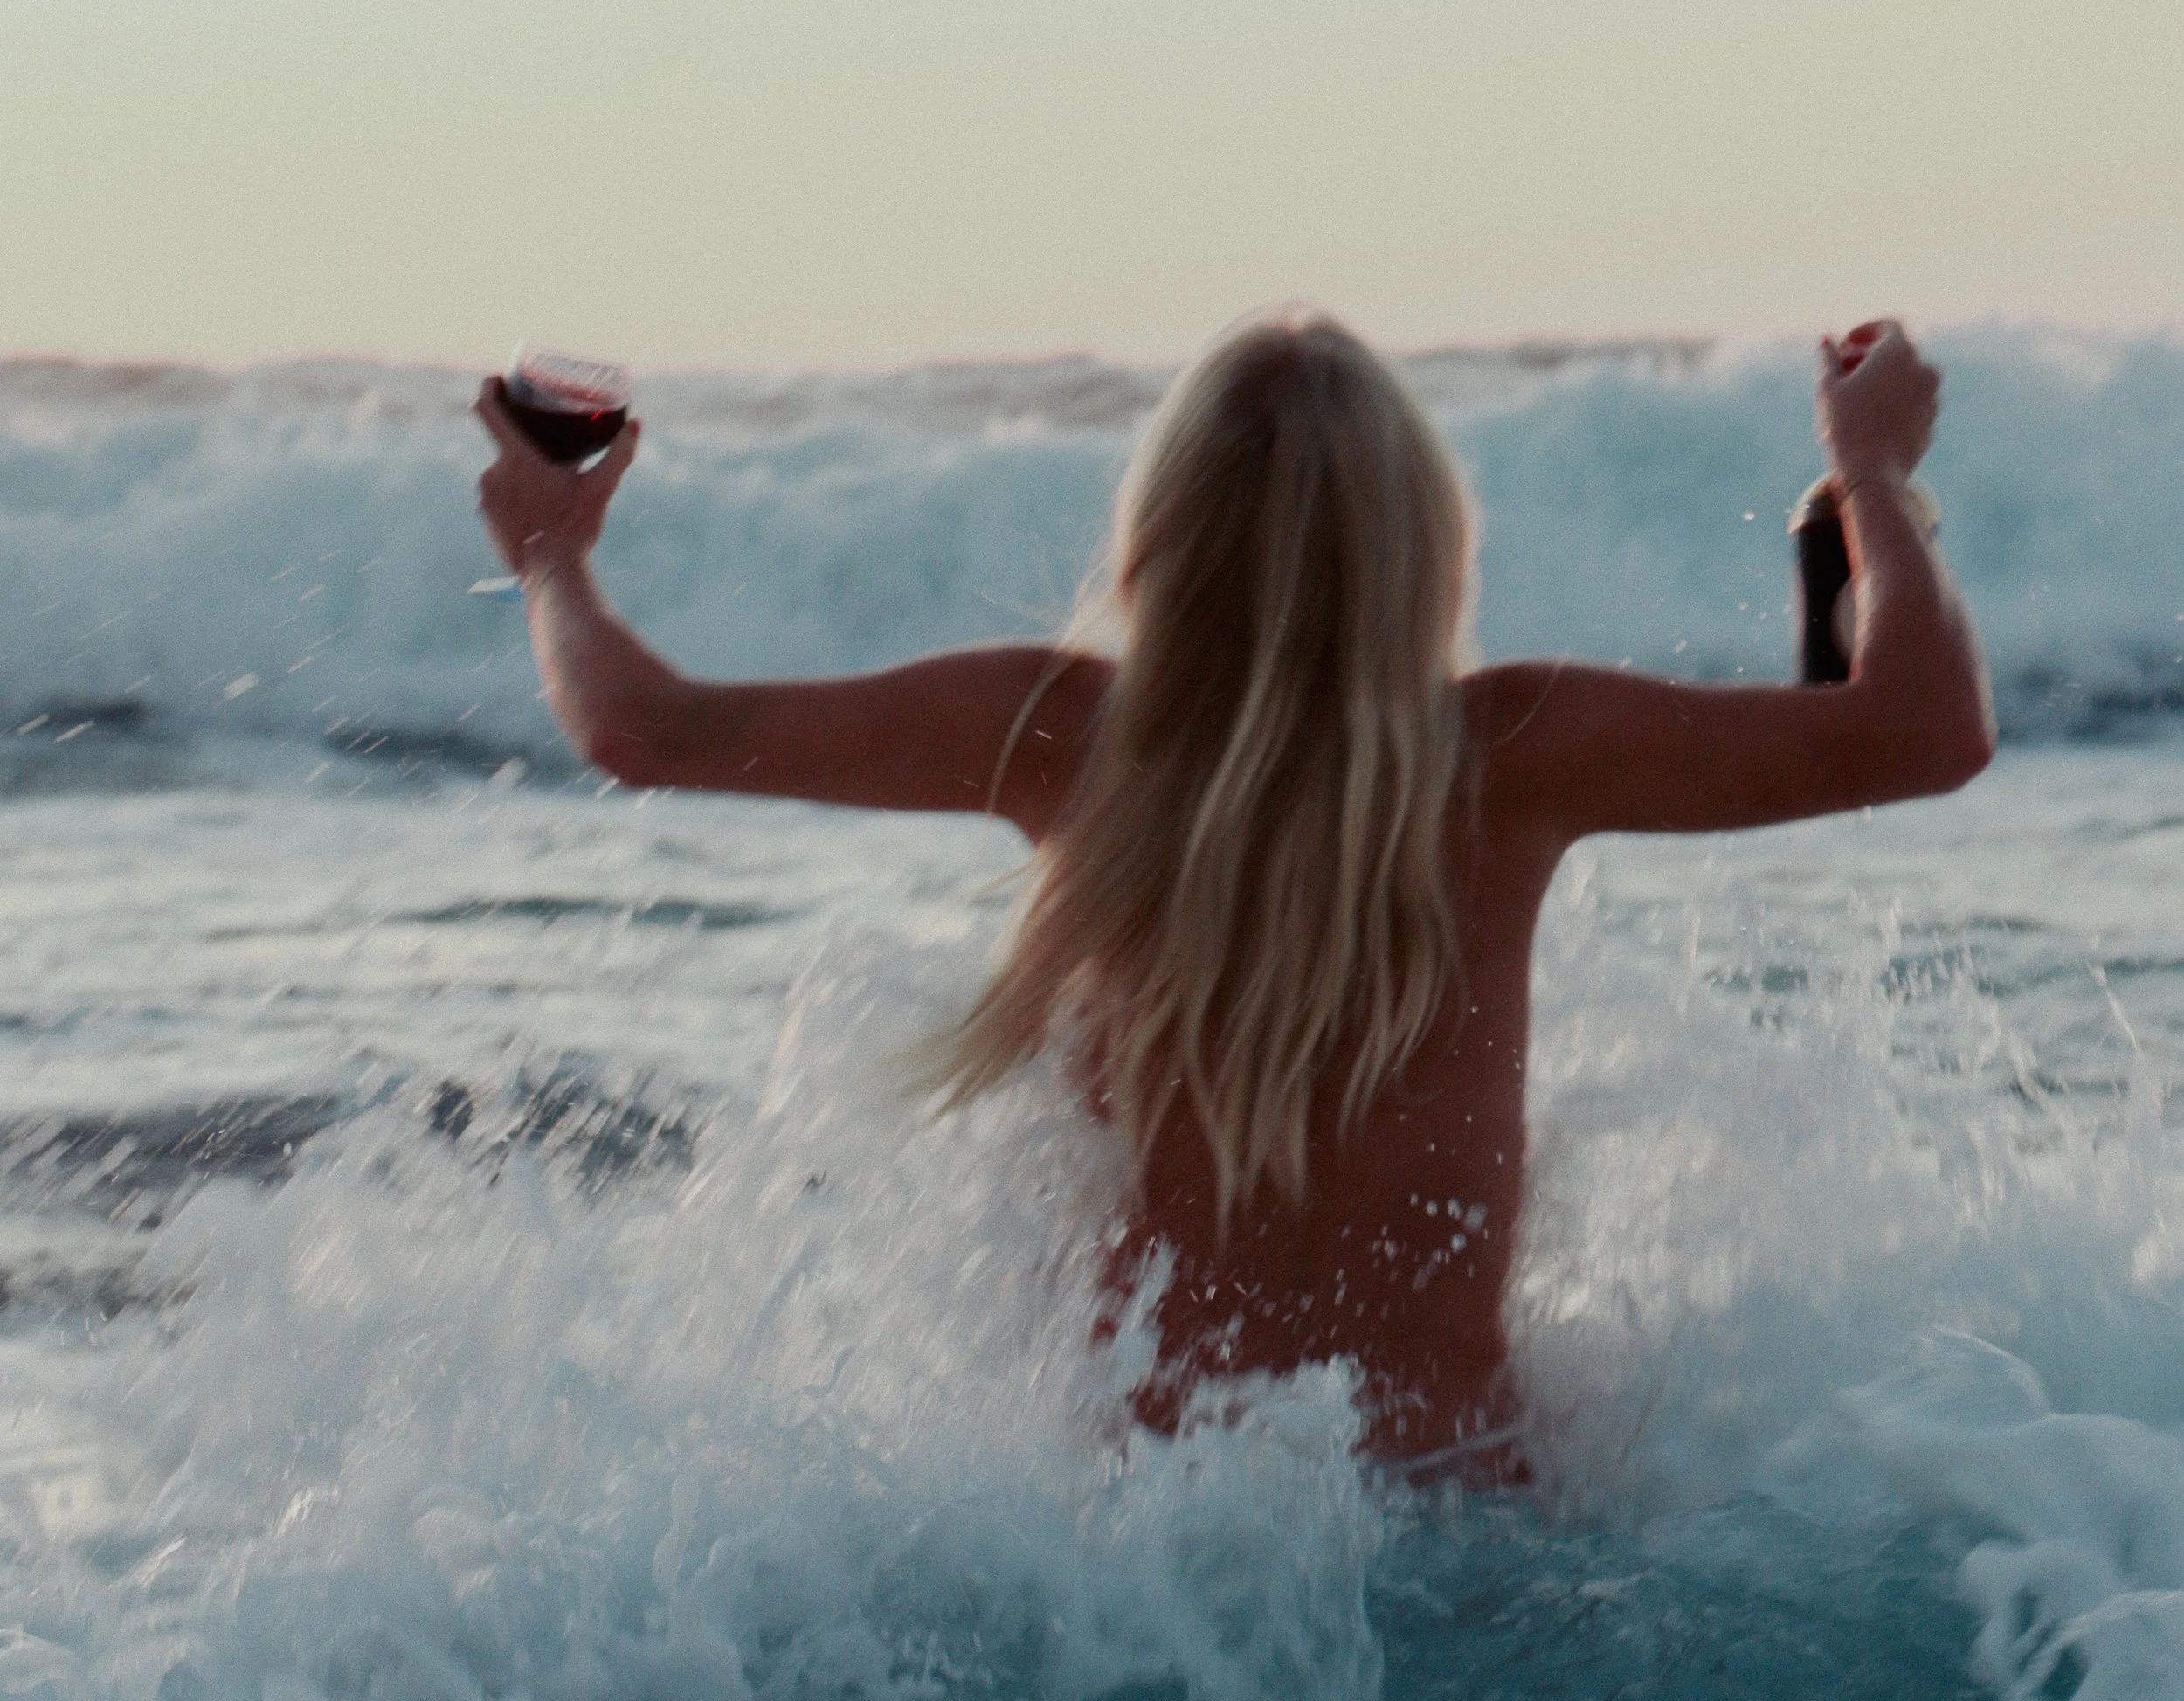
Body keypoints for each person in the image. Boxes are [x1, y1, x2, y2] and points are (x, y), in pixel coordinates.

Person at [475, 312, 1991, 1488]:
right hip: (1474, 1521)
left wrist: (552, 557)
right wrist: (1867, 480)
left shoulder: (1064, 739)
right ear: (1427, 548)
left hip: (1173, 1551)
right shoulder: (1512, 753)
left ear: (1158, 543)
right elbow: (1922, 732)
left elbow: (639, 730)